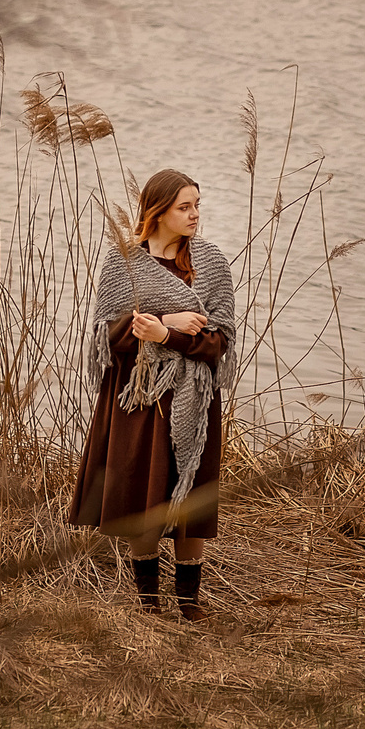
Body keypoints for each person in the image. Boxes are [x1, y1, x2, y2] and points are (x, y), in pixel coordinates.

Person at [69, 168, 236, 621]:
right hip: (138, 396)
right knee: (143, 492)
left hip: (194, 397)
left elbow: (219, 342)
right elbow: (107, 336)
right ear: (158, 212)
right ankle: (148, 603)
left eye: (197, 205)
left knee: (192, 495)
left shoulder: (211, 263)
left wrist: (167, 335)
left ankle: (190, 603)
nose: (195, 214)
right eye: (185, 207)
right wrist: (166, 322)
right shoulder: (123, 262)